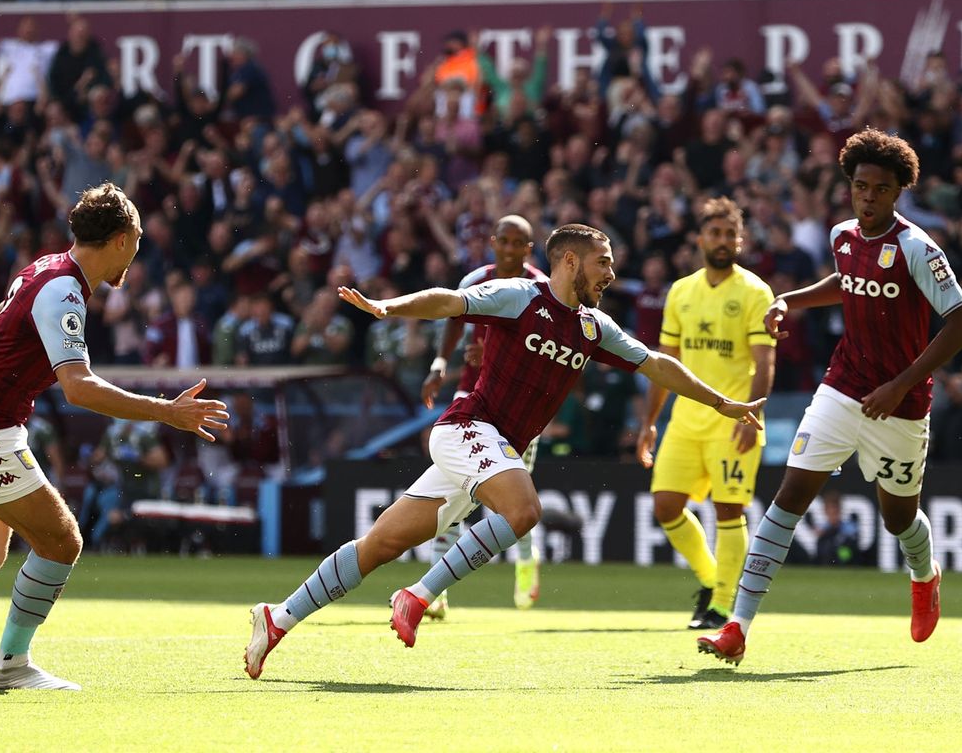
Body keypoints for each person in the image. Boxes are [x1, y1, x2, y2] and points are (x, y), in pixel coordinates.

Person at [244, 223, 766, 678]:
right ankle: (419, 595)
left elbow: (655, 363)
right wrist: (387, 308)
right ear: (569, 261)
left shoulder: (592, 327)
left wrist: (720, 401)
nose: (610, 273)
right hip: (467, 427)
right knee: (524, 509)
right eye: (603, 263)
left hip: (490, 448)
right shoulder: (520, 296)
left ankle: (277, 618)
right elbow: (449, 300)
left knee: (378, 546)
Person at [0, 183, 229, 690]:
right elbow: (78, 388)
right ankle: (11, 666)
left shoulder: (44, 268)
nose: (139, 250)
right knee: (62, 541)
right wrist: (167, 412)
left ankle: (10, 665)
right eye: (139, 238)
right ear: (121, 239)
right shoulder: (63, 289)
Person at [698, 129, 962, 666]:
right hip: (842, 388)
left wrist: (899, 384)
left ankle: (924, 574)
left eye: (879, 189)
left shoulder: (918, 248)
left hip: (900, 405)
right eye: (859, 186)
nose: (867, 197)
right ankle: (738, 625)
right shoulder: (843, 236)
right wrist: (790, 300)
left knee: (899, 520)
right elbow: (846, 282)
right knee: (788, 499)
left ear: (898, 192)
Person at [636, 197, 775, 630]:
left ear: (740, 240)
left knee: (728, 510)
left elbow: (765, 361)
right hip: (686, 420)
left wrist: (754, 417)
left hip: (733, 420)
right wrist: (649, 422)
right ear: (700, 238)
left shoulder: (755, 291)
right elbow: (665, 363)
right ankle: (714, 580)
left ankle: (721, 604)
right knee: (665, 507)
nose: (721, 240)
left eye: (729, 233)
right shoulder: (681, 291)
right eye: (713, 233)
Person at [417, 214, 548, 617]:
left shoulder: (543, 289)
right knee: (454, 493)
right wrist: (441, 362)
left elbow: (543, 348)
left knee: (513, 497)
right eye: (503, 241)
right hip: (473, 395)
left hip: (520, 405)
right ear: (493, 242)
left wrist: (494, 350)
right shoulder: (474, 280)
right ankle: (435, 593)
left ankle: (526, 559)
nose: (509, 249)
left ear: (528, 249)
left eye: (517, 243)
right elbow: (455, 322)